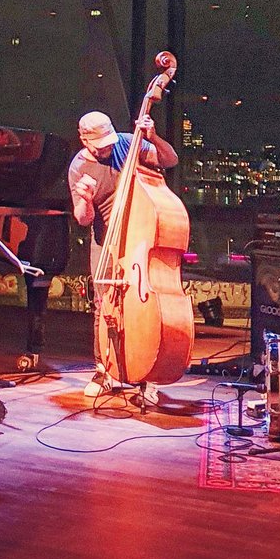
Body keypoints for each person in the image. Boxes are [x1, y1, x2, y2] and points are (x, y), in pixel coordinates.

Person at [67, 109, 179, 401]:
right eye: (100, 144)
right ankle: (104, 369)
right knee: (104, 305)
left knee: (146, 308)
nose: (107, 148)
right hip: (106, 242)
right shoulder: (78, 168)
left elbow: (169, 160)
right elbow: (83, 218)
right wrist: (87, 200)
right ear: (84, 140)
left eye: (109, 141)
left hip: (140, 238)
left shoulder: (127, 143)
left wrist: (153, 136)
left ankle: (148, 376)